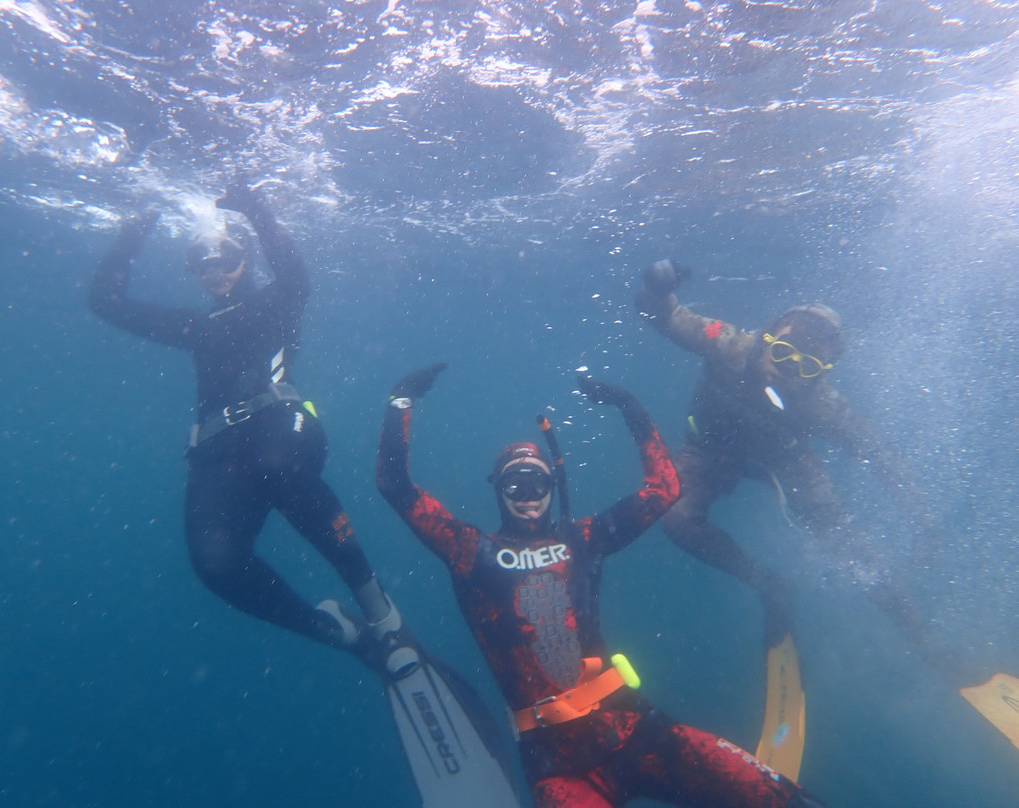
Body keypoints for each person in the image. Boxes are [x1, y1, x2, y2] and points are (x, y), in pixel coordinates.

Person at [376, 364, 828, 808]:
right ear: (498, 489)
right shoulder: (468, 550)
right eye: (516, 482)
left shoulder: (583, 539)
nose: (528, 493)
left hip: (636, 729)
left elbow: (664, 488)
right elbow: (395, 486)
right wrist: (401, 400)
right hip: (559, 770)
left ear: (553, 485)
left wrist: (630, 407)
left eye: (538, 481)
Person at [88, 177, 398, 653]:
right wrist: (135, 230)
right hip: (220, 452)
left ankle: (380, 610)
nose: (215, 274)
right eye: (202, 265)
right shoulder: (197, 325)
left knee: (279, 465)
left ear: (246, 259)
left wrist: (255, 209)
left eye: (227, 260)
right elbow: (104, 302)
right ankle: (337, 632)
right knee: (215, 567)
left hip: (285, 430)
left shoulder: (276, 301)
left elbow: (294, 273)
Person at [634, 259, 955, 678]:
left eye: (804, 368)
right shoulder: (726, 343)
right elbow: (661, 313)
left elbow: (883, 458)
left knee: (850, 547)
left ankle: (927, 644)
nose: (786, 373)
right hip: (707, 454)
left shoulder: (822, 404)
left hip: (784, 460)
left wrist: (922, 522)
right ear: (765, 339)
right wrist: (656, 287)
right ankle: (768, 584)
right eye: (782, 354)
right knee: (673, 517)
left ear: (821, 374)